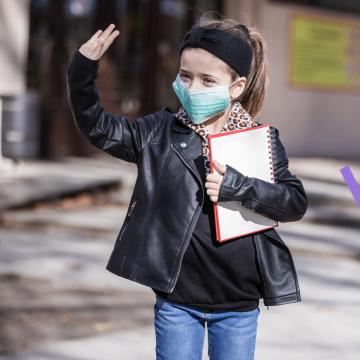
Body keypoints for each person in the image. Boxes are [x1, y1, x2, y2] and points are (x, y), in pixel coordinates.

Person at [66, 13, 308, 360]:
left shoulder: (260, 141)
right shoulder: (158, 131)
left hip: (238, 304)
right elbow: (99, 128)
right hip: (177, 301)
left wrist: (239, 188)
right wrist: (83, 70)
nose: (193, 88)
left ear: (236, 86)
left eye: (208, 80)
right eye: (185, 76)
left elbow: (294, 202)